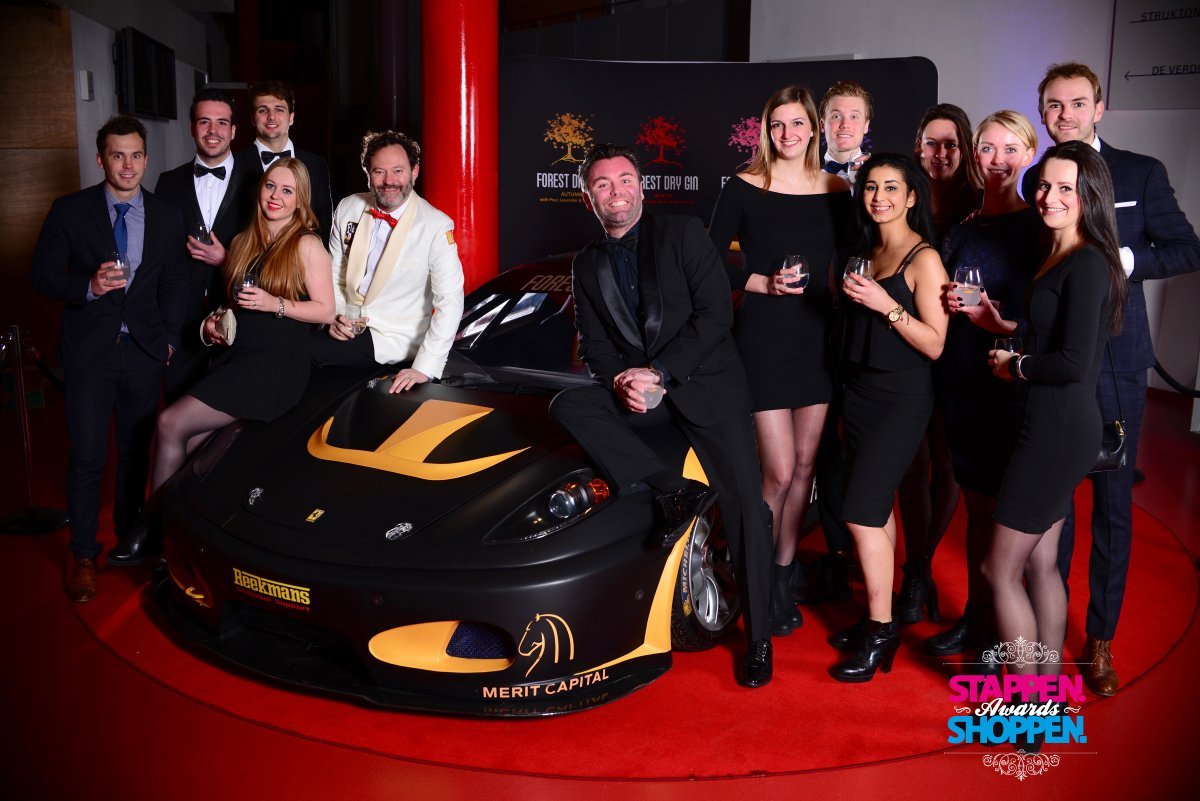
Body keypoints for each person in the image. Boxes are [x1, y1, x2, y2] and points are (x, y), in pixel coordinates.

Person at [550, 144, 775, 687]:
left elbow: (714, 315)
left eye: (625, 179)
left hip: (706, 386)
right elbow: (595, 346)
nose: (617, 192)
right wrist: (621, 381)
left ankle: (760, 639)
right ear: (588, 198)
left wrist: (659, 372)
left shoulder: (683, 234)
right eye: (602, 184)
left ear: (641, 186)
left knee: (746, 505)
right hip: (645, 399)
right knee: (570, 403)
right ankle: (673, 490)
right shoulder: (586, 263)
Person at [1021, 62, 1200, 697]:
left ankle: (1099, 638)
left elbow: (1187, 248)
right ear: (1042, 113)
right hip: (1054, 362)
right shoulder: (1036, 179)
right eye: (1053, 105)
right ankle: (1048, 624)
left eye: (1077, 103)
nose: (1064, 114)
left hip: (1118, 360)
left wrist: (1119, 257)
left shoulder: (1141, 172)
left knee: (1112, 504)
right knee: (1054, 504)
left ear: (1100, 108)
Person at [984, 142, 1126, 746]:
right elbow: (1059, 336)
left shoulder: (1087, 262)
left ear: (1090, 195)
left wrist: (1014, 366)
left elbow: (1072, 361)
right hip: (1056, 425)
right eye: (1044, 185)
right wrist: (1007, 331)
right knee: (1041, 564)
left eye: (1066, 188)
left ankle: (1026, 712)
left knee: (998, 569)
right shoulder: (1063, 254)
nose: (1050, 197)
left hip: (1057, 430)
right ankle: (1043, 703)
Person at [708, 85, 853, 636]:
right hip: (764, 338)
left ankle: (784, 575)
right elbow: (707, 260)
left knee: (807, 470)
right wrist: (761, 282)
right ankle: (757, 578)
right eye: (777, 125)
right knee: (778, 472)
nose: (787, 134)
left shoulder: (837, 188)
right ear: (766, 130)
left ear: (814, 128)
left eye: (797, 124)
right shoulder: (744, 185)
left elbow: (855, 256)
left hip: (819, 336)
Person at [31, 115, 187, 598]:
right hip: (89, 355)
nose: (128, 165)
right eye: (118, 155)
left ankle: (127, 539)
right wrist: (89, 286)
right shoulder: (70, 211)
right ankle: (83, 554)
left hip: (142, 352)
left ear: (146, 158)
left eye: (136, 155)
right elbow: (42, 274)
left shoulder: (166, 215)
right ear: (101, 159)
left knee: (136, 454)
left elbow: (175, 283)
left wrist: (167, 340)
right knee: (87, 456)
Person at [926, 111, 1041, 662]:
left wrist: (999, 320)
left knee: (1002, 515)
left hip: (1009, 385)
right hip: (961, 380)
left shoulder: (1039, 228)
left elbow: (1048, 318)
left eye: (1010, 149)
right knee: (974, 506)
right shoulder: (965, 228)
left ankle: (1001, 630)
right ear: (976, 156)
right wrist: (947, 301)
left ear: (1029, 154)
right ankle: (976, 620)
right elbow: (939, 296)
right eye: (988, 149)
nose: (998, 160)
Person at [831, 153, 949, 682]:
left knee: (859, 512)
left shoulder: (924, 259)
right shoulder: (865, 251)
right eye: (871, 187)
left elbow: (935, 344)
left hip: (900, 400)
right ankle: (878, 614)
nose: (879, 197)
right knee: (876, 511)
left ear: (911, 197)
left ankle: (882, 632)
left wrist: (886, 305)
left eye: (891, 188)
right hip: (858, 392)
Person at [151, 159, 335, 496]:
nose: (275, 196)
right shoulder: (242, 242)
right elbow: (235, 306)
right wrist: (211, 325)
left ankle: (152, 523)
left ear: (300, 201)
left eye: (287, 191)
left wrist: (275, 304)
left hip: (275, 367)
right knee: (189, 445)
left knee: (169, 423)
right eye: (270, 186)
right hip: (237, 359)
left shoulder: (306, 244)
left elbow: (326, 311)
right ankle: (179, 519)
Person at [893, 103, 981, 622]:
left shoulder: (979, 204)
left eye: (950, 144)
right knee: (912, 461)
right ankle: (916, 571)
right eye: (931, 143)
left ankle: (919, 568)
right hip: (911, 346)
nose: (940, 153)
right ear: (918, 147)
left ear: (964, 150)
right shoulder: (904, 198)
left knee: (946, 464)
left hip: (961, 351)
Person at [312, 130, 464, 393]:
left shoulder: (436, 226)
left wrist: (425, 366)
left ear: (414, 172)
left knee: (301, 350)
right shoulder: (348, 207)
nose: (389, 181)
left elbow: (449, 301)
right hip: (349, 324)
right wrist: (335, 317)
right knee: (284, 336)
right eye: (379, 171)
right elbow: (335, 273)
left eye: (398, 171)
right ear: (367, 172)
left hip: (395, 338)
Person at [155, 88, 257, 402]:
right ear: (192, 128)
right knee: (176, 410)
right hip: (181, 322)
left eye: (221, 123)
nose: (213, 131)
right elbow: (158, 257)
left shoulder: (260, 183)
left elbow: (270, 254)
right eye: (204, 122)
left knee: (235, 415)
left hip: (240, 318)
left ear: (234, 130)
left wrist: (227, 260)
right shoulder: (167, 183)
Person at [235, 80, 334, 238]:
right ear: (252, 118)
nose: (271, 116)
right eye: (263, 110)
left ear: (291, 117)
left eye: (279, 109)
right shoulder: (235, 164)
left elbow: (325, 221)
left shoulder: (316, 164)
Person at [819, 80, 873, 185]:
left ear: (866, 126)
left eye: (854, 117)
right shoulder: (803, 173)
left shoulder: (881, 172)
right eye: (836, 116)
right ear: (822, 125)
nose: (845, 124)